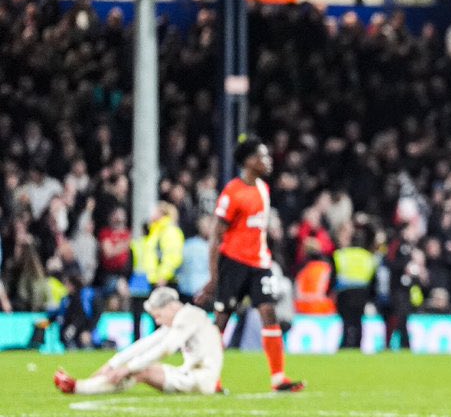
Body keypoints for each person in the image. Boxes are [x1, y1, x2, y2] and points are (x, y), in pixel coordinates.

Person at [196, 137, 303, 391]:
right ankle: (211, 378)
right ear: (249, 161)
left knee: (269, 312)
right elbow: (216, 236)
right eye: (263, 156)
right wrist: (214, 276)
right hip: (233, 263)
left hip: (259, 263)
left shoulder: (263, 189)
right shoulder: (233, 192)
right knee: (222, 319)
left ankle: (278, 378)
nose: (268, 161)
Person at [53, 287, 223, 396]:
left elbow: (166, 349)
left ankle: (77, 387)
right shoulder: (185, 317)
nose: (157, 321)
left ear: (171, 307)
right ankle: (83, 386)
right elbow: (147, 343)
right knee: (136, 369)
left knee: (140, 371)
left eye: (158, 315)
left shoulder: (189, 316)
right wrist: (113, 364)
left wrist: (127, 368)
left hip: (201, 380)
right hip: (198, 376)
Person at [129, 202, 185, 341]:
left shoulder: (169, 231)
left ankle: (173, 344)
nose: (151, 215)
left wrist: (163, 275)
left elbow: (172, 256)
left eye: (155, 212)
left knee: (167, 316)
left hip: (164, 280)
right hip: (155, 280)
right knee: (159, 317)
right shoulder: (157, 231)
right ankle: (163, 344)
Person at [332, 224, 378, 350]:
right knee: (358, 321)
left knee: (347, 321)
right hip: (362, 293)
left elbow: (334, 275)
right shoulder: (369, 257)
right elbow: (374, 280)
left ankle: (346, 344)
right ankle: (358, 345)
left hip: (345, 292)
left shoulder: (341, 254)